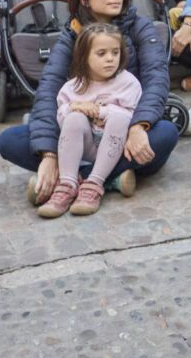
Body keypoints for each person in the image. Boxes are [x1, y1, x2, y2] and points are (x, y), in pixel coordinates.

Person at [0, 0, 180, 204]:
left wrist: (139, 127)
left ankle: (71, 180)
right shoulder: (72, 34)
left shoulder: (140, 26)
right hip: (79, 132)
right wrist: (49, 153)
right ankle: (110, 177)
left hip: (124, 127)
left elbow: (156, 79)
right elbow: (48, 89)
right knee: (10, 140)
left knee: (165, 134)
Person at [38, 23, 146, 217]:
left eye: (115, 53)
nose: (110, 59)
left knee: (121, 118)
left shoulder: (128, 82)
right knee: (73, 118)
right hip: (82, 150)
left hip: (117, 147)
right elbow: (61, 119)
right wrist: (74, 107)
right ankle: (68, 183)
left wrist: (100, 111)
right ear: (84, 56)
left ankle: (94, 183)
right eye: (102, 53)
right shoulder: (73, 87)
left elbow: (131, 116)